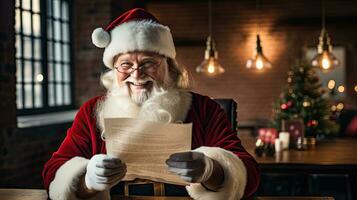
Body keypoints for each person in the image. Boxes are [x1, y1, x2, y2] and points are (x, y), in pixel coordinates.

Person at [42, 8, 260, 200]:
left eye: (149, 63)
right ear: (113, 70)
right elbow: (53, 172)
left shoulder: (205, 109)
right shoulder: (91, 111)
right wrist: (87, 180)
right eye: (125, 64)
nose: (137, 74)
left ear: (169, 68)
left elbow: (250, 174)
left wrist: (211, 170)